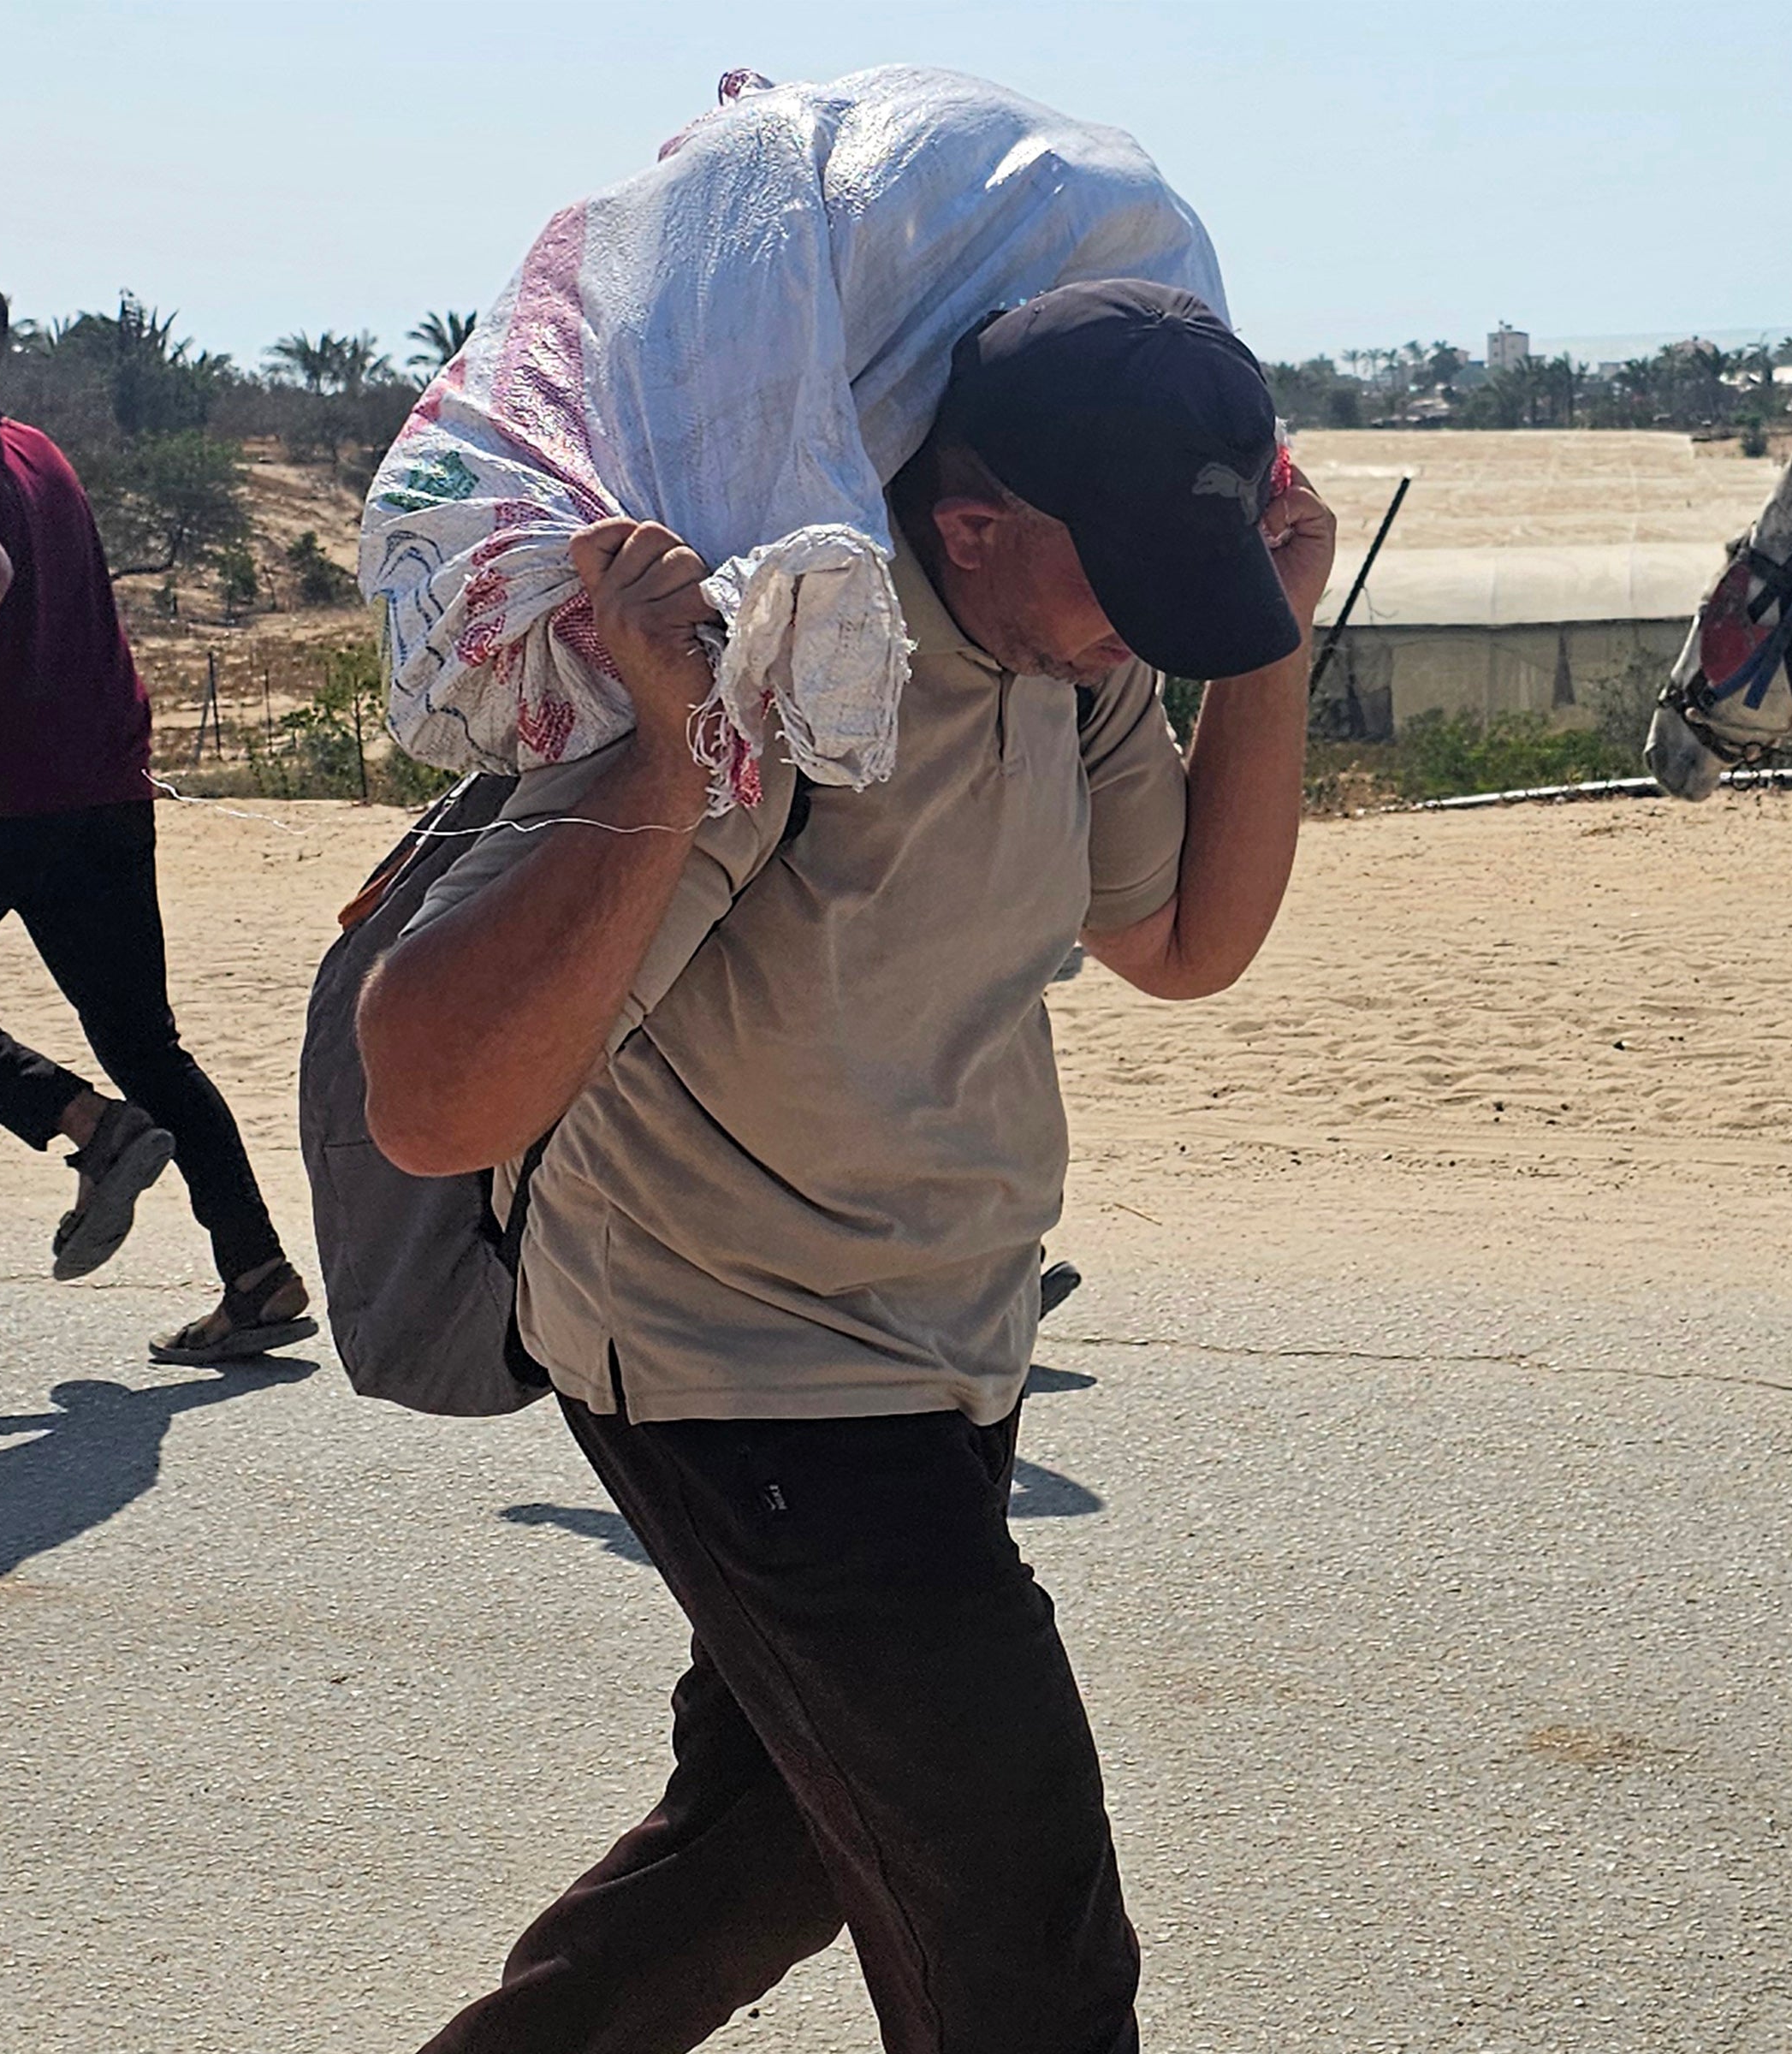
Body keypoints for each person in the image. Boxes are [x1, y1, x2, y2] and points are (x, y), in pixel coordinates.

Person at [359, 280, 1335, 2054]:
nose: (1138, 640)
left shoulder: (1071, 664)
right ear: (971, 524)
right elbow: (431, 1100)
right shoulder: (796, 670)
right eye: (1125, 590)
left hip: (945, 1346)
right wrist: (666, 739)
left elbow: (1186, 938)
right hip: (743, 1362)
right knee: (1023, 1946)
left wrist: (1268, 638)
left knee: (773, 1853)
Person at [0, 273, 312, 1364]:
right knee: (149, 1043)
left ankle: (89, 1128)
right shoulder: (41, 453)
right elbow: (15, 600)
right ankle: (260, 1276)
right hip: (103, 790)